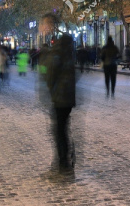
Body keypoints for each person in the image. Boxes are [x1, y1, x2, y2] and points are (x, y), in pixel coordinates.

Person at [40, 14, 77, 173]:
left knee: (59, 130)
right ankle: (64, 159)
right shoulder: (67, 49)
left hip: (60, 96)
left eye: (44, 25)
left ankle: (64, 163)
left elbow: (49, 73)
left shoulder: (57, 50)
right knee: (61, 128)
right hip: (67, 95)